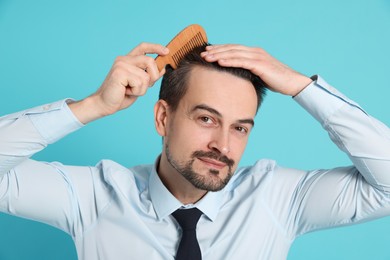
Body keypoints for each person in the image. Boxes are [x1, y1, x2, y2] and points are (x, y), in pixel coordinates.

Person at [0, 42, 389, 260]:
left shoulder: (279, 198)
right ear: (162, 118)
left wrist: (302, 87)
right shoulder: (92, 197)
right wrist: (92, 107)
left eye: (240, 127)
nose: (223, 144)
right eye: (206, 119)